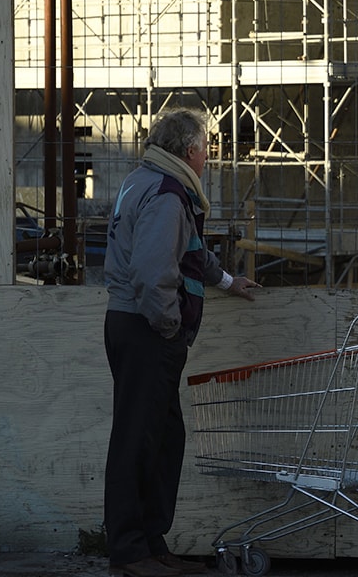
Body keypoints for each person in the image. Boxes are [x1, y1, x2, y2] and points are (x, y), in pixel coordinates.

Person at [102, 108, 261, 577]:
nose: (209, 156)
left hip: (136, 326)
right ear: (190, 151)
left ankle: (150, 543)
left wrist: (228, 281)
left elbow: (190, 249)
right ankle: (131, 552)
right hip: (148, 330)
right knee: (139, 439)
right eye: (207, 148)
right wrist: (169, 328)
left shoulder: (146, 180)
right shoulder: (169, 194)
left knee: (161, 438)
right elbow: (154, 274)